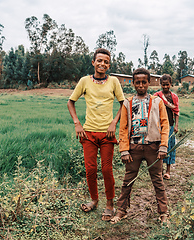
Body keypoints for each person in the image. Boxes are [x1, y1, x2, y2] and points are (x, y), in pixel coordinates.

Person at [67, 48, 125, 221]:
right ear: (93, 62)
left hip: (107, 134)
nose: (102, 64)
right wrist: (77, 123)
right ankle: (94, 200)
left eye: (106, 61)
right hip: (88, 134)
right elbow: (70, 102)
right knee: (90, 169)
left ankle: (109, 204)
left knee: (107, 170)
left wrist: (114, 123)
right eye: (99, 60)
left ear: (109, 65)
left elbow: (123, 104)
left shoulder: (114, 81)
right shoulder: (85, 81)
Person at [110, 68, 169, 224]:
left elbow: (165, 124)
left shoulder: (158, 102)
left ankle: (163, 214)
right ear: (133, 83)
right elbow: (122, 128)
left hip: (153, 148)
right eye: (138, 82)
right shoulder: (127, 103)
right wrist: (123, 150)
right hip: (133, 149)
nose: (141, 85)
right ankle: (121, 211)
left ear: (149, 83)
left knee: (158, 181)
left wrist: (163, 146)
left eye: (144, 82)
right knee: (127, 181)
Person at [154, 74, 179, 180]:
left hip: (170, 125)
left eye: (167, 85)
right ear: (160, 84)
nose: (165, 87)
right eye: (163, 85)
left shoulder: (174, 97)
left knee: (169, 148)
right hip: (159, 126)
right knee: (159, 147)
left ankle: (168, 171)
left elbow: (176, 112)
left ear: (171, 84)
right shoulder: (156, 96)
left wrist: (176, 126)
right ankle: (160, 170)